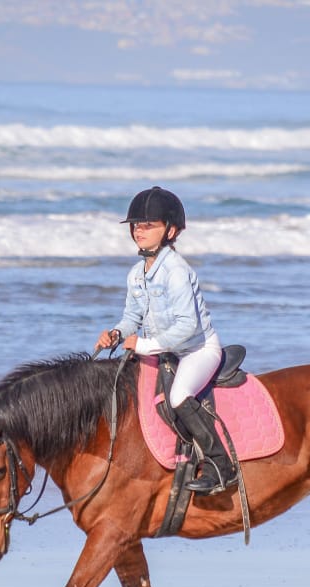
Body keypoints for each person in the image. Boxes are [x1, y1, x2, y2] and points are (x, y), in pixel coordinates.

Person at [95, 186, 235, 495]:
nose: (139, 231)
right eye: (136, 225)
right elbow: (132, 317)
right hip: (165, 352)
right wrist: (116, 334)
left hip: (197, 349)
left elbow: (187, 327)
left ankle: (221, 466)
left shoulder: (176, 271)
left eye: (148, 225)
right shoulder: (136, 274)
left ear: (170, 230)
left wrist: (143, 345)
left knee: (179, 396)